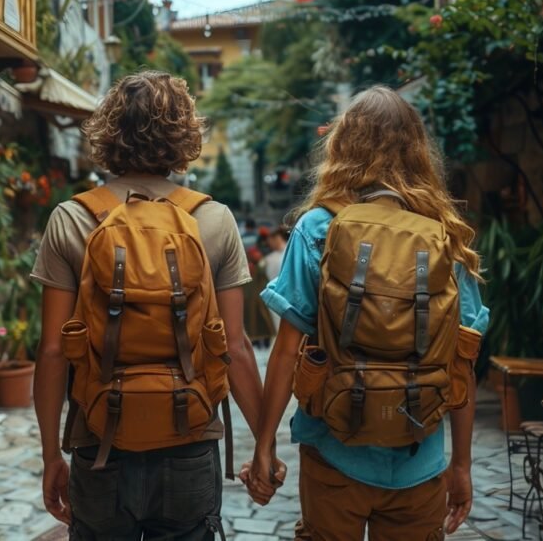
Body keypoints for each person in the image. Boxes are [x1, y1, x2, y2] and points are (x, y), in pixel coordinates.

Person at [30, 71, 276, 540]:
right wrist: (264, 446)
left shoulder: (71, 218)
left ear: (107, 133)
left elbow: (53, 352)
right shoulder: (214, 220)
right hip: (190, 441)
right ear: (184, 135)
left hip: (98, 441)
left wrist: (50, 456)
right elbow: (237, 347)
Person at [243, 86, 490, 540]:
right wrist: (461, 465)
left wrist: (264, 444)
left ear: (343, 145)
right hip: (421, 456)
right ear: (418, 150)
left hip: (333, 448)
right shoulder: (444, 235)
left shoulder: (319, 227)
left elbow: (286, 351)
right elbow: (463, 362)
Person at [261, 227, 288, 332]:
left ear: (276, 238)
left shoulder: (288, 252)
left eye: (270, 241)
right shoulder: (270, 258)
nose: (269, 244)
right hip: (275, 295)